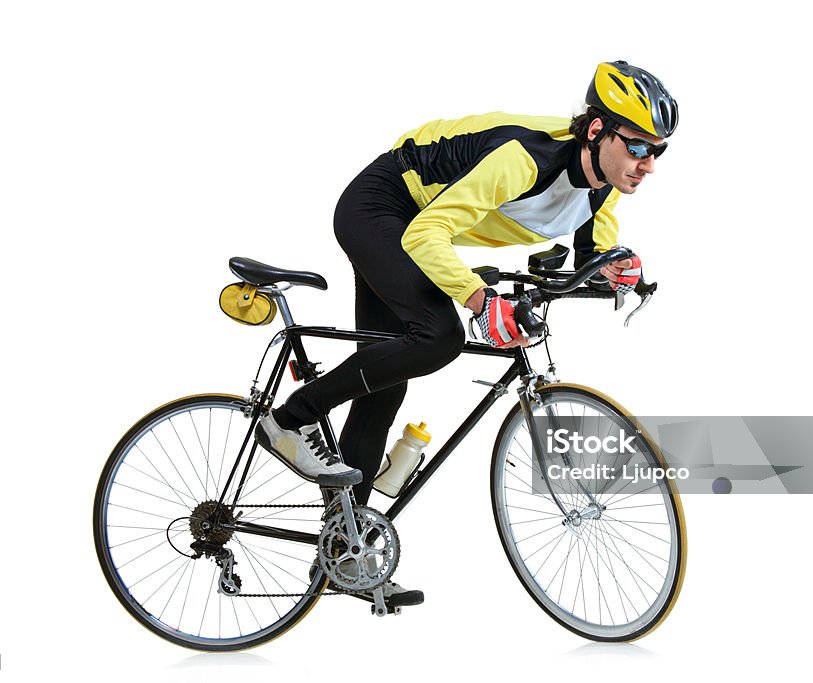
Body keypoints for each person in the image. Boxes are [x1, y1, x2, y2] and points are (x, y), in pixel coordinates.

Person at [254, 60, 678, 606]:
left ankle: (345, 552)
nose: (647, 164)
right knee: (438, 337)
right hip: (382, 205)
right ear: (596, 131)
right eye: (638, 146)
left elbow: (587, 260)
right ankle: (290, 420)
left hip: (412, 226)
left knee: (387, 382)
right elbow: (428, 231)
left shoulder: (606, 186)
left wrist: (619, 273)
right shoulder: (526, 159)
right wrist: (480, 299)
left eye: (658, 150)